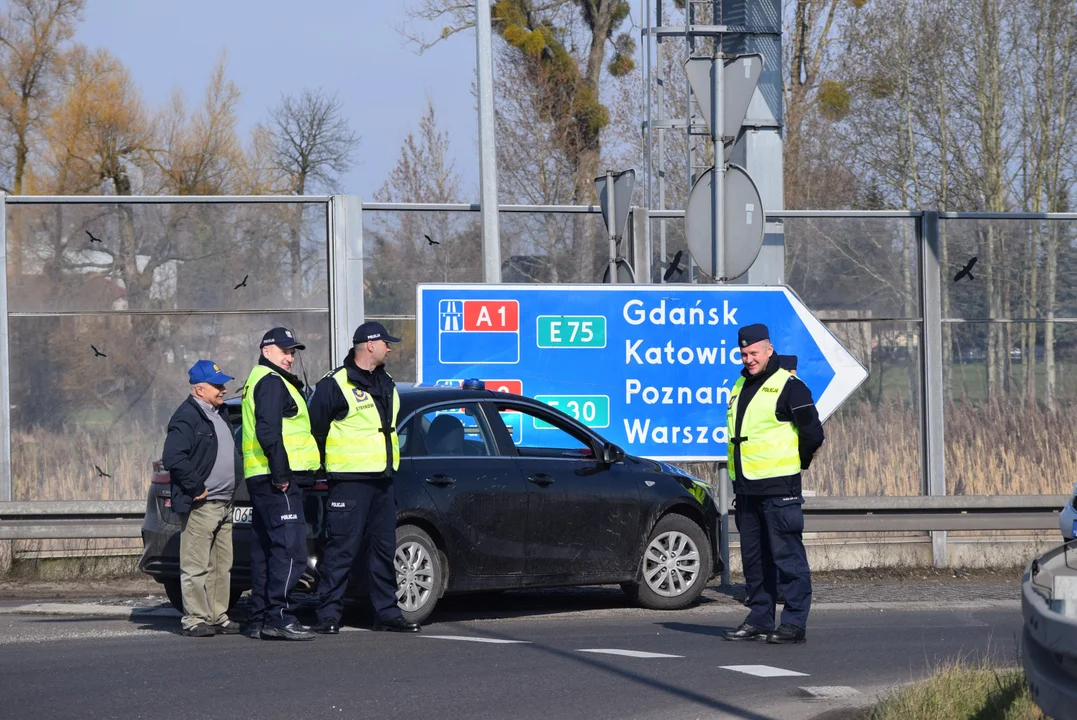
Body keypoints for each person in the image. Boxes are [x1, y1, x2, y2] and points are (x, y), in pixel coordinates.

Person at [308, 322, 419, 634]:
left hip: (382, 481)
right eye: (386, 342)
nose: (391, 347)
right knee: (341, 549)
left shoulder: (387, 382)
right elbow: (316, 431)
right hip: (349, 481)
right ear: (370, 345)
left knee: (384, 549)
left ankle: (387, 613)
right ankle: (328, 615)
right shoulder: (335, 384)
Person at [723, 324, 824, 645]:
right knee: (755, 561)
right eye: (743, 353)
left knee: (788, 558)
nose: (748, 359)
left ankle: (794, 622)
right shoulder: (740, 384)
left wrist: (800, 463)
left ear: (769, 349)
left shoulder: (790, 386)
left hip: (780, 488)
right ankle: (760, 617)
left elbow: (813, 434)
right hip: (747, 489)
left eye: (753, 353)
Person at [241, 327, 320, 641]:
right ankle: (279, 617)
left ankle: (259, 618)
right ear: (266, 350)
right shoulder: (271, 382)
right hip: (278, 480)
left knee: (266, 552)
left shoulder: (259, 380)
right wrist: (282, 474)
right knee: (291, 551)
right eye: (285, 351)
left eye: (293, 352)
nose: (290, 357)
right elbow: (268, 431)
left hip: (262, 477)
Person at [162, 360, 242, 637]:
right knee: (196, 565)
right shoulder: (187, 416)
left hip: (225, 503)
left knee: (221, 565)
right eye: (217, 385)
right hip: (203, 504)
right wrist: (196, 488)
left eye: (222, 384)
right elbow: (173, 457)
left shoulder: (219, 413)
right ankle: (195, 618)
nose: (223, 389)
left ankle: (217, 615)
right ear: (199, 389)